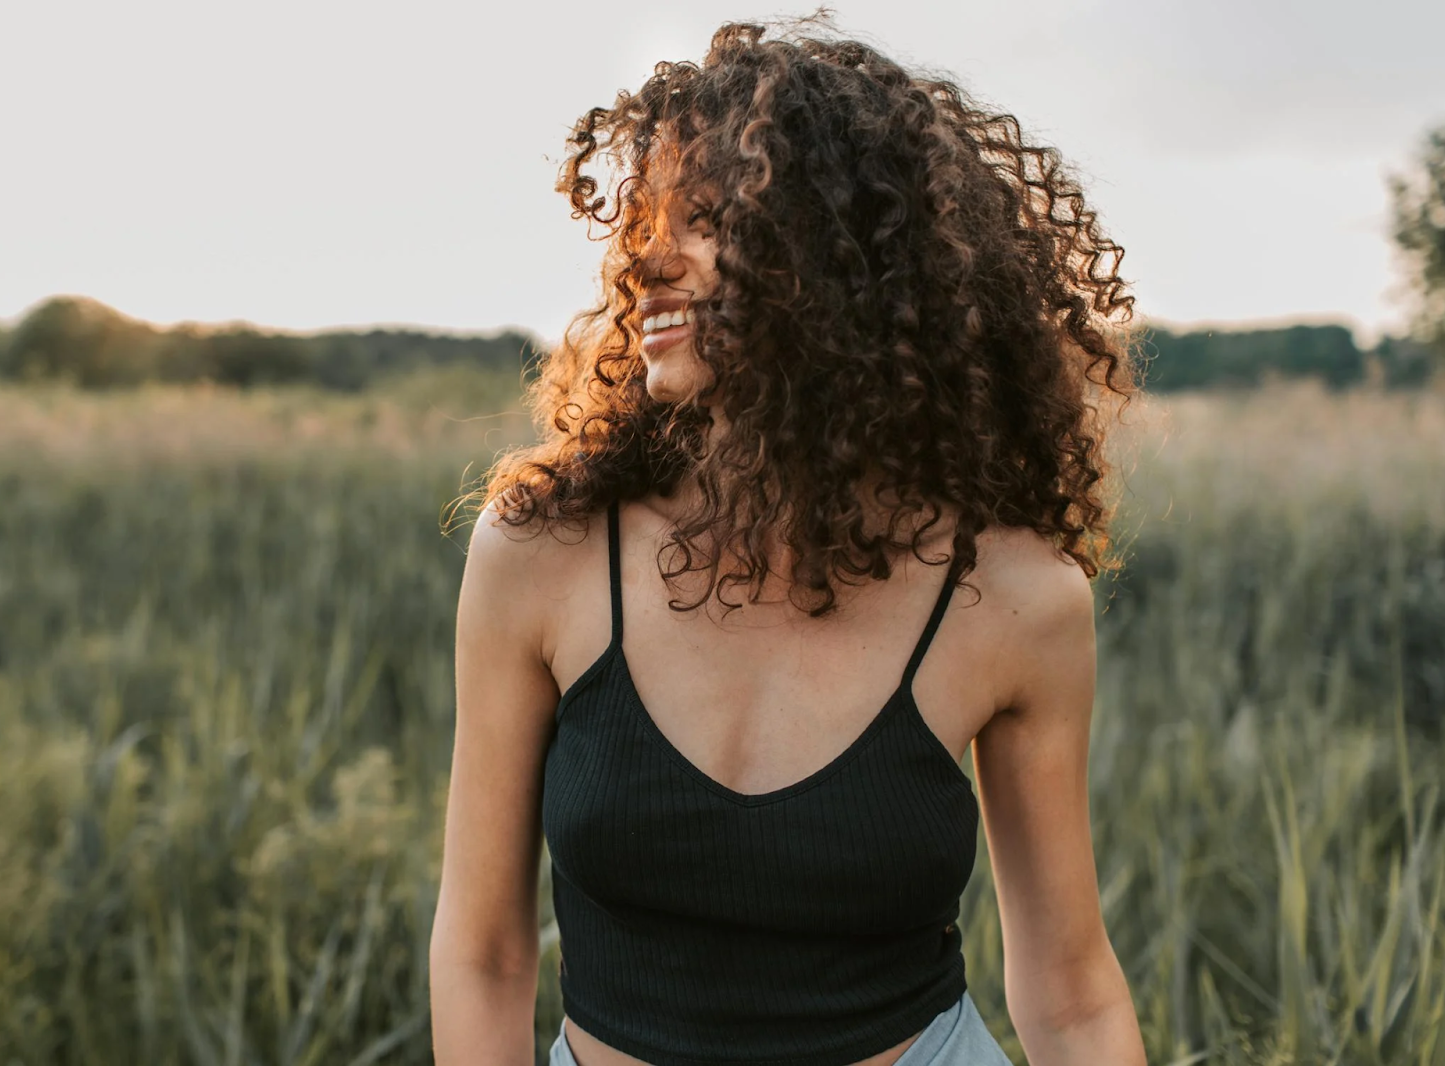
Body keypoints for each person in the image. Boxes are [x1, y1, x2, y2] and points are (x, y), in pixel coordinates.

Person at [431, 13, 1148, 1066]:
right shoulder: (544, 547)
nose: (651, 262)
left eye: (709, 217)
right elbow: (485, 949)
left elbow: (1072, 991)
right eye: (646, 223)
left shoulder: (1012, 597)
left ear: (843, 260)